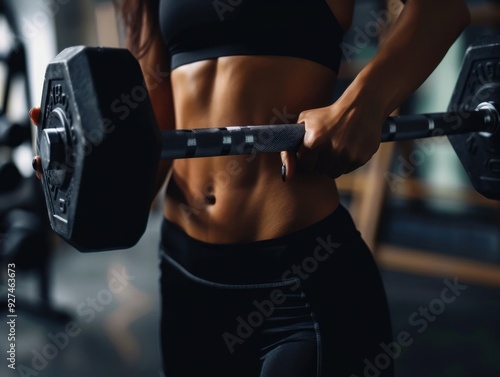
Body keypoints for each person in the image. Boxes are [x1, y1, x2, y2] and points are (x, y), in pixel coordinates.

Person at [31, 0, 470, 375]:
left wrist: (364, 103)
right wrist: (94, 175)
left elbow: (440, 10)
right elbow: (157, 124)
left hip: (299, 280)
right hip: (186, 274)